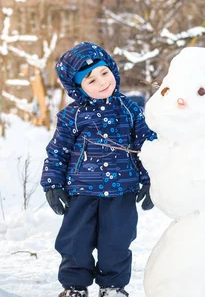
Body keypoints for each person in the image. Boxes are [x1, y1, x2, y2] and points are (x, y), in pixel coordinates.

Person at [40, 42, 155, 297]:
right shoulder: (72, 116)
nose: (102, 82)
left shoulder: (130, 110)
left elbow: (146, 147)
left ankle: (113, 287)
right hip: (81, 192)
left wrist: (150, 180)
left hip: (121, 191)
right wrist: (53, 184)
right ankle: (74, 287)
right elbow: (57, 151)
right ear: (77, 87)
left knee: (117, 242)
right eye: (90, 80)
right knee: (75, 242)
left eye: (104, 73)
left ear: (112, 69)